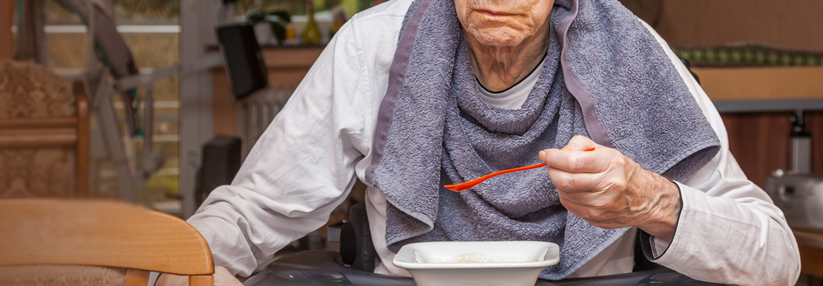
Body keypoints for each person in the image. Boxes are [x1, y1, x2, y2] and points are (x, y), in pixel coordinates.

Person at [159, 0, 800, 285]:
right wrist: (180, 272)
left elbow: (778, 260)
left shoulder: (632, 55)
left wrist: (652, 202)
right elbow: (247, 217)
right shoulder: (374, 47)